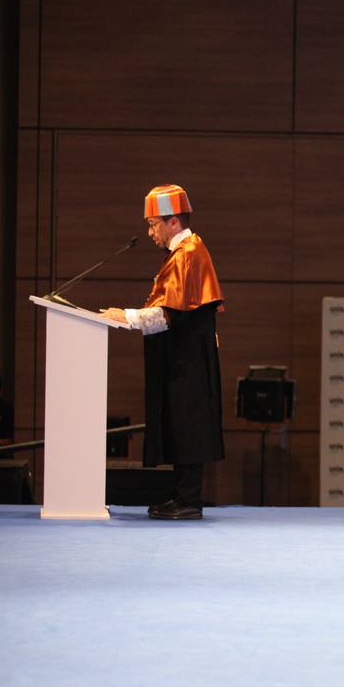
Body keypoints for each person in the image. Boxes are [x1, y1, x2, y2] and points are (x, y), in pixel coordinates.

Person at [100, 185, 224, 520]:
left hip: (189, 359)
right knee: (179, 422)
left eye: (154, 224)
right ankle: (181, 494)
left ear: (172, 222)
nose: (150, 231)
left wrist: (126, 317)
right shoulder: (182, 253)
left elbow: (170, 313)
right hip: (184, 356)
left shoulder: (188, 254)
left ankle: (189, 499)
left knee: (188, 424)